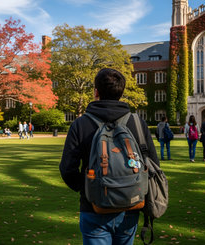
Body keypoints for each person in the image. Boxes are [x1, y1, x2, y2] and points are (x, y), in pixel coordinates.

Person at [60, 68, 159, 245]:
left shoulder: (80, 124)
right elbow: (152, 165)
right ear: (121, 92)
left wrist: (90, 189)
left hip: (94, 208)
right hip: (130, 203)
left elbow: (68, 170)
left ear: (96, 92)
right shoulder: (137, 122)